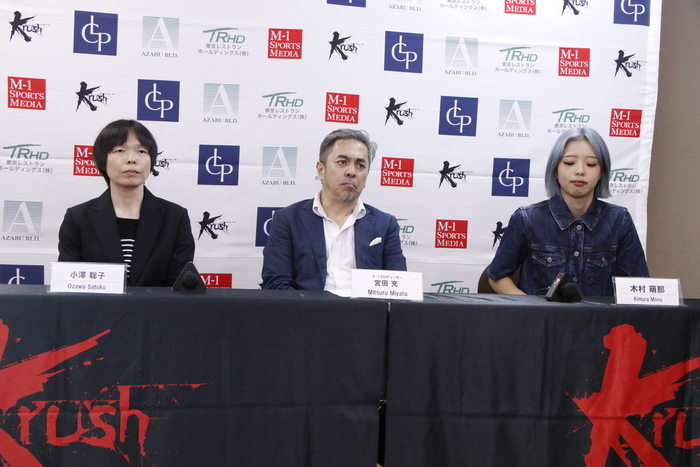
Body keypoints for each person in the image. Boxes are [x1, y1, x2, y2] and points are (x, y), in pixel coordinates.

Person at [487, 127, 649, 296]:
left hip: (599, 314)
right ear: (555, 170)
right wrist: (532, 307)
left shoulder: (619, 220)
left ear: (602, 172)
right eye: (569, 163)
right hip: (541, 314)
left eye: (591, 164)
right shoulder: (527, 219)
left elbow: (637, 284)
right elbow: (497, 276)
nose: (580, 171)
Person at [262, 128, 407, 290]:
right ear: (321, 170)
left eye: (360, 165)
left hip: (364, 306)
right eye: (342, 162)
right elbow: (276, 284)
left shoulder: (385, 224)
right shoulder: (288, 220)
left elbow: (398, 286)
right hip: (307, 305)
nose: (351, 172)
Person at [58, 119, 195, 286]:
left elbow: (180, 288)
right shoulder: (77, 218)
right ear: (102, 160)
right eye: (120, 150)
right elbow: (70, 286)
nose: (131, 159)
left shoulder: (175, 217)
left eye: (141, 151)